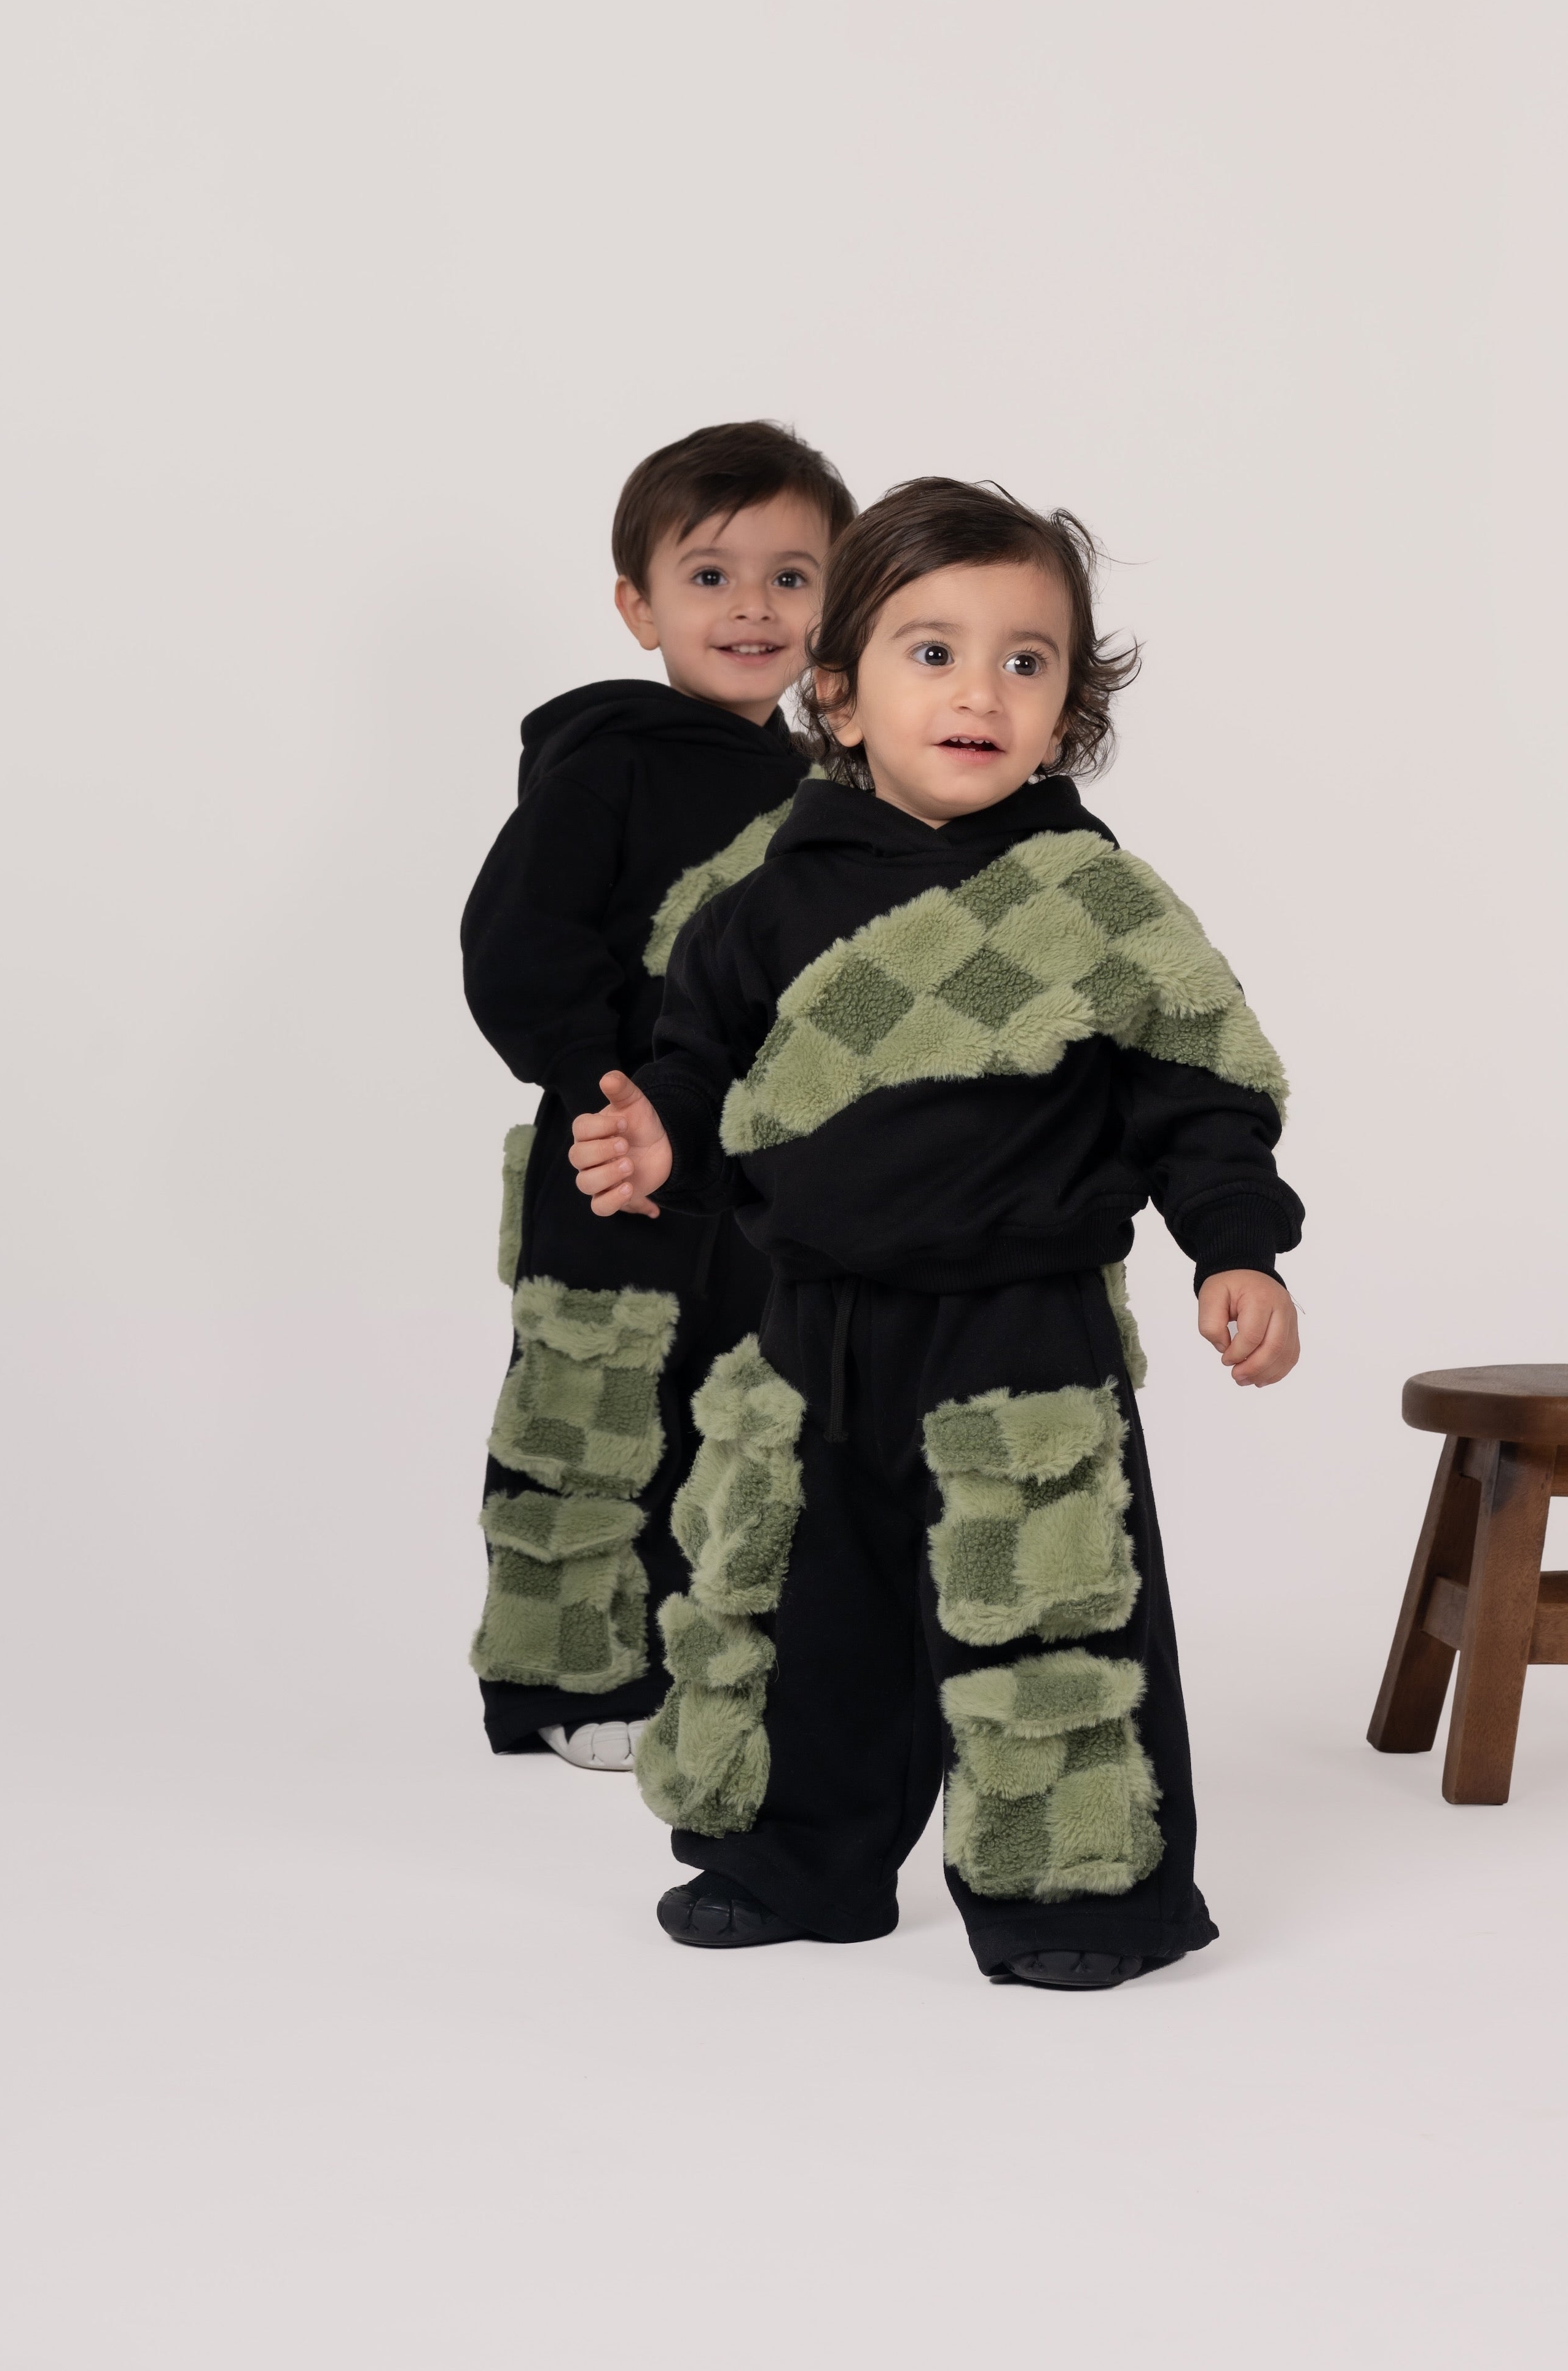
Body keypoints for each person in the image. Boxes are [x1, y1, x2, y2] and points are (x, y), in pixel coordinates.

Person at [568, 478, 1303, 1984]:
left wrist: (1235, 1243)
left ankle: (1076, 1893)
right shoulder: (757, 908)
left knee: (1045, 1607)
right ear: (833, 690)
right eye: (930, 651)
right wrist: (657, 1135)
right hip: (810, 1322)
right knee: (791, 1601)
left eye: (1025, 660)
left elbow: (1197, 1086)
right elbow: (700, 1079)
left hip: (1018, 1322)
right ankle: (796, 1859)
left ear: (1068, 708)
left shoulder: (1094, 901)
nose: (980, 690)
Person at [461, 419, 855, 1766]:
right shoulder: (608, 763)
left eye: (790, 576)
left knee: (738, 1416)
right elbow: (516, 952)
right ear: (638, 604)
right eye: (709, 575)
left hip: (753, 1173)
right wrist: (612, 1084)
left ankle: (702, 1662)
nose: (752, 606)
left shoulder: (829, 785)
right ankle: (564, 1676)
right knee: (590, 1414)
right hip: (609, 1157)